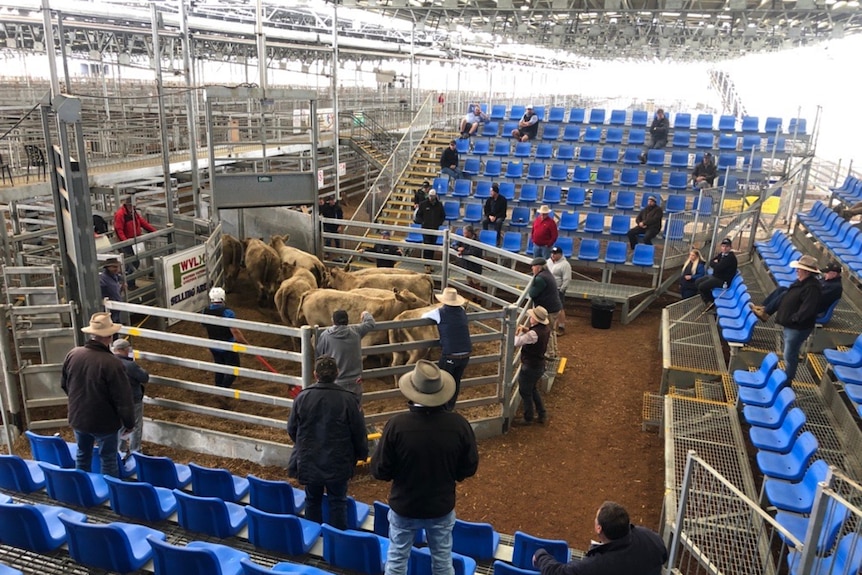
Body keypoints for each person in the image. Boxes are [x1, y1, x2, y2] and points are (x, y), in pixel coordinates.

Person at [370, 360, 479, 575]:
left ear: (413, 391)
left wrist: (399, 473)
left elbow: (380, 469)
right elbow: (469, 467)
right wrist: (451, 473)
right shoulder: (459, 425)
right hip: (440, 505)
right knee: (442, 561)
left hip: (405, 505)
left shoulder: (396, 425)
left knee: (397, 560)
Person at [287, 355, 368, 530]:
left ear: (315, 375)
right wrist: (361, 454)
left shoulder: (302, 397)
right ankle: (338, 542)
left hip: (310, 459)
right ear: (337, 373)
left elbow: (292, 428)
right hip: (338, 460)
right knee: (338, 501)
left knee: (312, 500)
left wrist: (303, 446)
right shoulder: (348, 399)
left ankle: (312, 538)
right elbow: (358, 431)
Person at [61, 312, 135, 478]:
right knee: (108, 459)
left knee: (82, 454)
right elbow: (123, 399)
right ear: (109, 337)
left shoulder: (73, 354)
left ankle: (81, 491)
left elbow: (64, 384)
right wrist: (129, 422)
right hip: (105, 422)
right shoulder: (113, 363)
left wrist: (80, 402)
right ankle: (110, 494)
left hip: (79, 417)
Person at [533, 501, 667, 575]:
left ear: (599, 528)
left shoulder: (596, 565)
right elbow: (663, 554)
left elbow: (558, 573)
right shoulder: (650, 537)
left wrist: (540, 556)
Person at [771, 255, 823, 382]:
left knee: (790, 354)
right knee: (788, 353)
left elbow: (807, 309)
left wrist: (793, 319)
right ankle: (786, 376)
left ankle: (787, 380)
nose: (797, 271)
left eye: (799, 269)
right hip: (792, 326)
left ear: (806, 271)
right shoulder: (802, 283)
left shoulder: (812, 288)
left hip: (797, 328)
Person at [421, 288, 471, 411]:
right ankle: (450, 408)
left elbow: (423, 316)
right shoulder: (462, 311)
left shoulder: (439, 312)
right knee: (455, 381)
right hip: (465, 353)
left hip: (450, 354)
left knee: (442, 382)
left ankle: (440, 409)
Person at [751, 260, 843, 322]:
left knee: (786, 294)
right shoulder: (827, 281)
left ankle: (766, 313)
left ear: (834, 274)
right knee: (782, 289)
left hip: (812, 306)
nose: (825, 274)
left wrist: (798, 294)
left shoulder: (835, 287)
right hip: (807, 298)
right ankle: (763, 307)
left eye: (827, 273)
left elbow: (816, 297)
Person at [316, 309, 375, 399]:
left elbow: (320, 354)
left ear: (333, 320)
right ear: (348, 320)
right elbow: (370, 323)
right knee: (354, 407)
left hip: (335, 381)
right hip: (354, 381)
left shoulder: (325, 336)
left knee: (337, 407)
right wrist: (366, 314)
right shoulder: (356, 331)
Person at [202, 286, 250, 389]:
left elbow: (205, 326)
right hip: (228, 346)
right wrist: (246, 344)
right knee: (234, 369)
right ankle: (223, 389)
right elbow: (235, 332)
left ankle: (218, 389)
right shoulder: (228, 313)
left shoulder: (205, 311)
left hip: (213, 345)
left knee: (219, 368)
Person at [513, 306, 551, 425]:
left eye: (532, 316)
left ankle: (528, 417)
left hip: (530, 366)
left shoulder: (534, 334)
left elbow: (517, 342)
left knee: (525, 391)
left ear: (536, 319)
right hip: (539, 365)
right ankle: (541, 413)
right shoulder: (544, 329)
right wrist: (525, 329)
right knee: (532, 389)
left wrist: (517, 333)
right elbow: (534, 335)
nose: (530, 318)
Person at [112, 338, 148, 456]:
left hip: (116, 399)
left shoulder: (109, 362)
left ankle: (120, 450)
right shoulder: (129, 365)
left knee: (121, 426)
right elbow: (144, 377)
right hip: (132, 399)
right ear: (124, 350)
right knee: (135, 425)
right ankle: (135, 451)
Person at [113, 195, 156, 289]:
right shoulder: (121, 214)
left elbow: (141, 222)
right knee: (133, 263)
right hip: (126, 243)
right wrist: (125, 242)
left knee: (132, 263)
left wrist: (153, 231)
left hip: (132, 241)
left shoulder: (132, 213)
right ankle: (129, 284)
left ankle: (126, 282)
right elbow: (118, 229)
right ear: (128, 205)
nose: (134, 207)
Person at [528, 257, 562, 360]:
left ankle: (550, 353)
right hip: (555, 307)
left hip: (549, 309)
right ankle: (554, 351)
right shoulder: (547, 274)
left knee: (548, 331)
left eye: (533, 267)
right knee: (552, 330)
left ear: (538, 268)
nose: (532, 269)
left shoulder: (540, 278)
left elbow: (532, 293)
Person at [695, 238, 738, 305]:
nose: (724, 248)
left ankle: (712, 302)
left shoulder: (730, 258)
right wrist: (716, 264)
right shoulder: (722, 254)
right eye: (723, 246)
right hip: (716, 276)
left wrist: (716, 264)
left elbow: (717, 268)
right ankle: (706, 300)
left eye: (727, 246)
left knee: (702, 286)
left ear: (730, 247)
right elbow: (711, 262)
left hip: (723, 281)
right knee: (697, 281)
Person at [415, 190, 446, 273]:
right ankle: (427, 265)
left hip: (435, 228)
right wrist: (423, 222)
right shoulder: (423, 204)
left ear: (435, 196)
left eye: (433, 196)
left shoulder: (439, 205)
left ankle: (430, 263)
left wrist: (438, 223)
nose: (431, 198)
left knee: (432, 246)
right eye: (430, 196)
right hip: (426, 228)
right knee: (427, 246)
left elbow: (442, 216)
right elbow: (418, 216)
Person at [546, 246, 571, 335]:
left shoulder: (565, 265)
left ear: (560, 255)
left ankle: (561, 326)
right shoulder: (548, 262)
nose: (553, 255)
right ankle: (549, 325)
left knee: (560, 308)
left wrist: (562, 289)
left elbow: (567, 279)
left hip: (558, 289)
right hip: (548, 288)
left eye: (555, 254)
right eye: (552, 253)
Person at [453, 225, 484, 296]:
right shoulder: (463, 239)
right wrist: (458, 248)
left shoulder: (477, 241)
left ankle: (479, 300)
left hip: (475, 267)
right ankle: (474, 299)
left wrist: (462, 251)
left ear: (470, 233)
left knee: (476, 285)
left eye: (466, 233)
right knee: (470, 283)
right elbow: (454, 244)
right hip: (467, 265)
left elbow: (473, 252)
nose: (464, 235)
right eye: (464, 233)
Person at [99, 258, 125, 324]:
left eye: (117, 267)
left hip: (115, 307)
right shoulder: (103, 279)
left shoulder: (115, 277)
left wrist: (121, 288)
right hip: (110, 308)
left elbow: (115, 291)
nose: (117, 269)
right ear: (107, 267)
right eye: (114, 267)